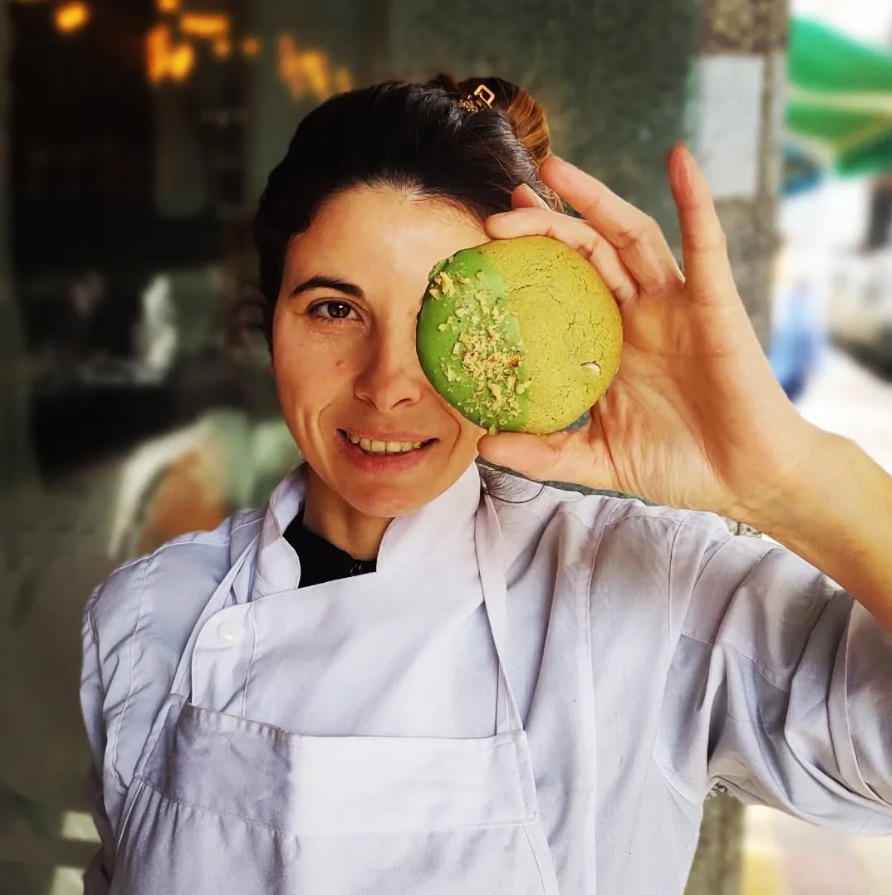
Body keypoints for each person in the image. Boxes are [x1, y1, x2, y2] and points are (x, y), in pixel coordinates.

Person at [79, 75, 892, 895]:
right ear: (267, 327)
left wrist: (781, 475)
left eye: (442, 316)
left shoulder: (646, 594)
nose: (390, 383)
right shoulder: (149, 614)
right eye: (334, 309)